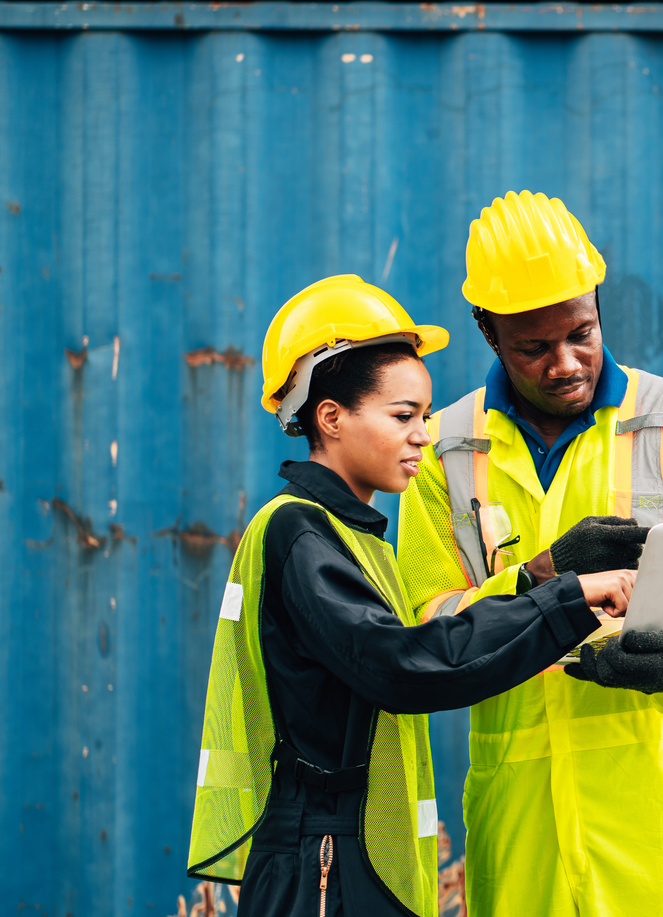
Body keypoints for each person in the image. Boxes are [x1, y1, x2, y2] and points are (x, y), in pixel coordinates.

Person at [186, 274, 638, 917]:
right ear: (332, 417)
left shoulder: (353, 536)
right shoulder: (300, 531)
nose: (424, 434)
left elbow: (425, 645)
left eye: (424, 416)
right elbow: (405, 664)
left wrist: (541, 587)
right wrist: (568, 599)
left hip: (346, 853)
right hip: (322, 867)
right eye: (403, 416)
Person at [395, 190, 663, 916]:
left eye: (581, 333)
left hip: (654, 825)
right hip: (519, 823)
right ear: (487, 332)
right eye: (533, 347)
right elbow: (429, 628)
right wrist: (538, 577)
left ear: (597, 303)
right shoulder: (441, 454)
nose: (565, 363)